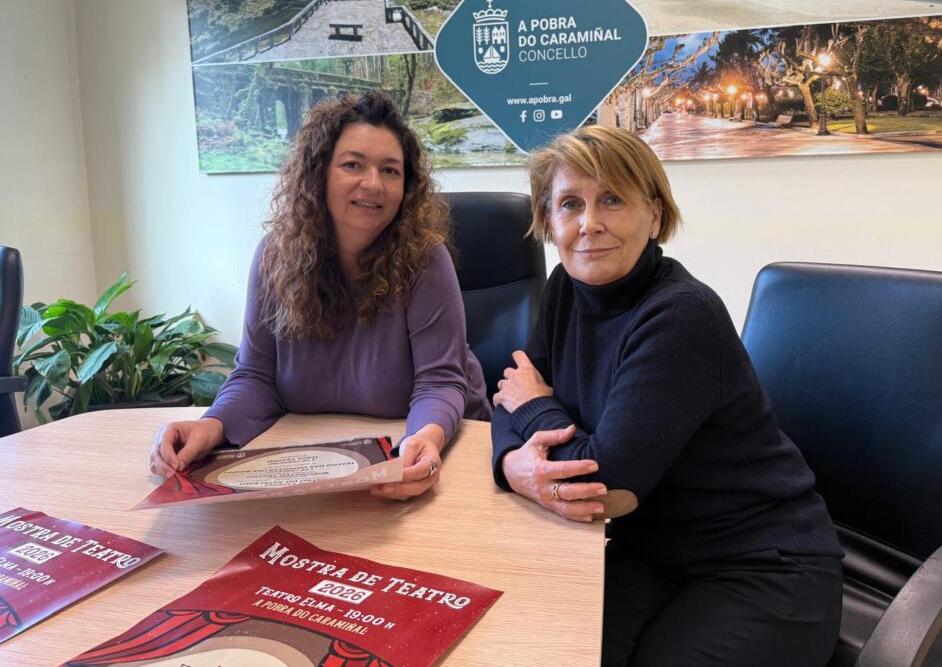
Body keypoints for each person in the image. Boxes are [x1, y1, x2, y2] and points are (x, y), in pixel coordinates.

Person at [491, 126, 843, 666]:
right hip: (651, 549)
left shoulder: (681, 315)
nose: (590, 223)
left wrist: (535, 409)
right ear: (549, 221)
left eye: (613, 199)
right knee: (541, 645)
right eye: (570, 204)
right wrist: (512, 465)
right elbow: (507, 398)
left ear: (653, 216)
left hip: (764, 566)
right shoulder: (565, 287)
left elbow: (606, 484)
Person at [150, 90, 489, 499]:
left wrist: (426, 440)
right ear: (319, 173)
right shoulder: (275, 257)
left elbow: (440, 383)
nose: (373, 183)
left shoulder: (425, 258)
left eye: (390, 170)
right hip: (315, 457)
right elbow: (256, 376)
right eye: (353, 164)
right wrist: (212, 425)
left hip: (437, 447)